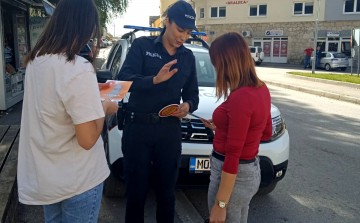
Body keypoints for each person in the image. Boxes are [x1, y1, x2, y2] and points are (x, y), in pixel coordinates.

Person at [17, 0, 119, 222]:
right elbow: (87, 139)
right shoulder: (77, 67)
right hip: (79, 179)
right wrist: (104, 107)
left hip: (48, 178)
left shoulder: (36, 62)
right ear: (82, 27)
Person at [116, 1, 199, 222]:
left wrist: (188, 106)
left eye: (188, 32)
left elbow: (193, 94)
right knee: (136, 193)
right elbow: (124, 80)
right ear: (167, 22)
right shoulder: (142, 46)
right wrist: (154, 80)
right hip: (138, 129)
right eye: (180, 30)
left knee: (166, 193)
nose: (183, 37)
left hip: (169, 132)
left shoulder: (188, 58)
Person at [202, 32, 273, 223]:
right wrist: (224, 129)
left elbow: (233, 154)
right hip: (250, 171)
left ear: (226, 62)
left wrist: (220, 204)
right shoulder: (261, 89)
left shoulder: (241, 97)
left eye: (216, 62)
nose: (216, 68)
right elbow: (266, 132)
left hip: (231, 175)